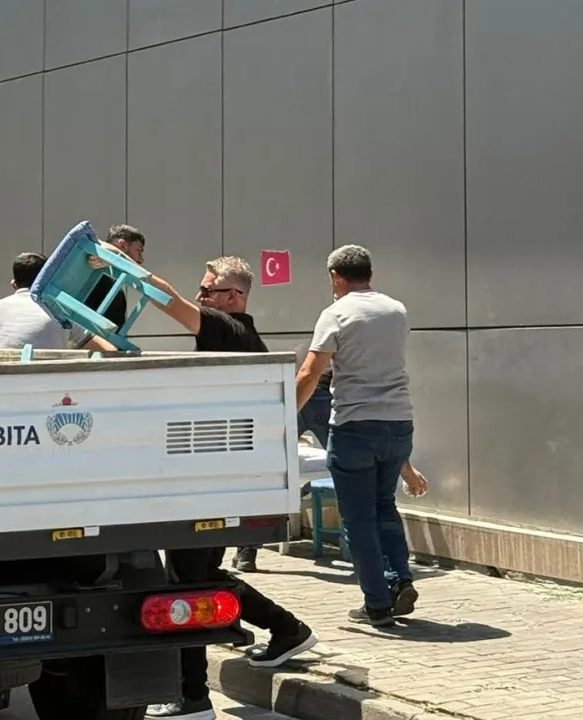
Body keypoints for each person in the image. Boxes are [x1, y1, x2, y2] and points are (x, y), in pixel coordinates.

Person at [87, 251, 316, 720]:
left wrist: (126, 266)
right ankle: (288, 630)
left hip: (214, 486)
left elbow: (171, 301)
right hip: (220, 482)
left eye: (207, 290)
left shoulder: (229, 330)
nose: (200, 296)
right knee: (199, 579)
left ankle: (192, 698)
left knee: (188, 587)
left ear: (232, 296)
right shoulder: (237, 338)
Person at [294, 245, 416, 628]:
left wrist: (283, 414)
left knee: (359, 517)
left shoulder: (336, 313)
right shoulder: (396, 310)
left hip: (355, 426)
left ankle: (376, 604)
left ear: (335, 276)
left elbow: (311, 372)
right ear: (370, 273)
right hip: (399, 423)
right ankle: (400, 579)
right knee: (384, 505)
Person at [0, 252, 116, 352]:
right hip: (49, 379)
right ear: (47, 281)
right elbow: (109, 350)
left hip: (0, 379)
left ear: (14, 285)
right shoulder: (60, 311)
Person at [82, 224, 147, 329]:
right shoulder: (111, 289)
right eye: (138, 251)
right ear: (122, 245)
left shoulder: (87, 256)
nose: (141, 260)